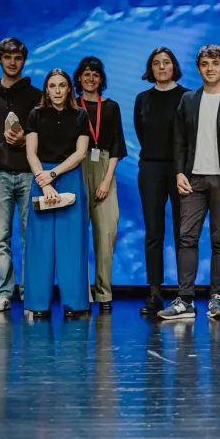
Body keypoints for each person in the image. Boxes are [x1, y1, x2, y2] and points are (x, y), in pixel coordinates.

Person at [160, 45, 220, 321]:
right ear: (198, 68)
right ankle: (185, 300)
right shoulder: (187, 99)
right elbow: (179, 140)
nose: (210, 68)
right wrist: (179, 172)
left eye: (215, 63)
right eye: (205, 64)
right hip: (193, 179)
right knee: (187, 238)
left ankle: (216, 299)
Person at [24, 68, 92, 319]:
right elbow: (31, 152)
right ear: (46, 90)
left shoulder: (80, 115)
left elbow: (81, 153)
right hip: (41, 177)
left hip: (69, 178)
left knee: (71, 243)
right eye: (52, 86)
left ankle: (75, 303)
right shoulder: (36, 114)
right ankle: (38, 304)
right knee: (40, 243)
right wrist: (44, 181)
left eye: (62, 85)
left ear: (69, 89)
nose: (57, 91)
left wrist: (54, 176)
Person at [0, 37, 42, 312]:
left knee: (32, 237)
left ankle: (31, 292)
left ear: (24, 60)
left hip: (30, 174)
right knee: (0, 238)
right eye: (7, 57)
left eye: (17, 57)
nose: (12, 62)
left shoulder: (35, 96)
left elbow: (45, 135)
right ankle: (3, 292)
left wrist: (26, 141)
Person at [133, 47, 189, 316]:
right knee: (154, 232)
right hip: (151, 169)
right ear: (150, 68)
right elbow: (142, 134)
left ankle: (183, 294)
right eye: (156, 63)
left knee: (182, 232)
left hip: (181, 170)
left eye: (166, 62)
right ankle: (154, 292)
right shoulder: (142, 98)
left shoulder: (187, 96)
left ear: (174, 66)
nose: (162, 67)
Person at [75, 56, 127, 313]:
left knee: (106, 235)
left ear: (101, 79)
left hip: (105, 166)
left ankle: (104, 293)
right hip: (75, 167)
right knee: (75, 236)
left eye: (95, 74)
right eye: (86, 74)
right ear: (79, 78)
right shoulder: (72, 105)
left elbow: (117, 144)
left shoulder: (111, 107)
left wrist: (107, 178)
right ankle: (81, 293)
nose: (91, 78)